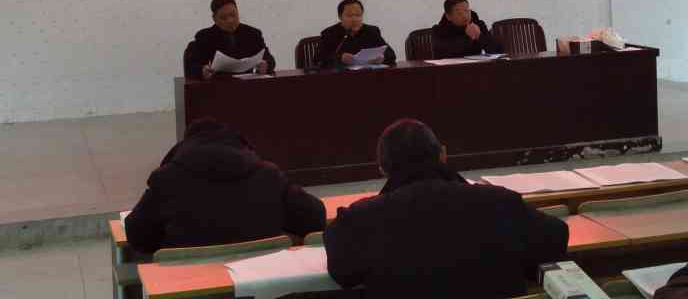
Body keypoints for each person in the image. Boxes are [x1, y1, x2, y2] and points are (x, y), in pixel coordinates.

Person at [324, 118, 569, 298]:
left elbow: (343, 272)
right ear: (443, 155)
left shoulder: (361, 220)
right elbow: (555, 239)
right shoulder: (501, 203)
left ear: (382, 169)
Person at [124, 118, 326, 253]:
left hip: (188, 286)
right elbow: (315, 218)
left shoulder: (165, 180)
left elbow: (137, 238)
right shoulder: (268, 175)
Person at [186, 0, 275, 79]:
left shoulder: (253, 34)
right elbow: (191, 66)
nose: (230, 20)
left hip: (248, 84)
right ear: (214, 19)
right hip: (218, 85)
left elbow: (269, 59)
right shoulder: (204, 36)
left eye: (233, 15)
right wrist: (202, 71)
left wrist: (266, 65)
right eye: (223, 17)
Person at [317, 0, 397, 68]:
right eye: (349, 16)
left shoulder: (372, 31)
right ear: (340, 17)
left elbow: (391, 54)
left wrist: (382, 58)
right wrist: (340, 58)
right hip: (341, 76)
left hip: (369, 75)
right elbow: (318, 59)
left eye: (358, 15)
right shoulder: (329, 33)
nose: (354, 19)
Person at [432, 0, 503, 58]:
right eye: (459, 13)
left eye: (466, 11)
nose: (464, 16)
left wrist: (480, 36)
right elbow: (442, 52)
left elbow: (498, 50)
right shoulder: (439, 30)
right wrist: (468, 38)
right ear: (448, 16)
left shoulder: (478, 25)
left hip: (476, 65)